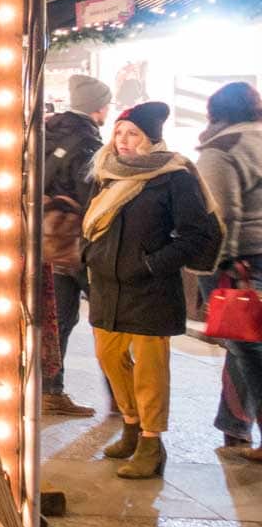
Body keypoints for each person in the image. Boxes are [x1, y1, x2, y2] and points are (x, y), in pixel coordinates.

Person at [84, 101, 223, 479]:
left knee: (150, 367)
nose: (123, 141)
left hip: (150, 287)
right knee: (109, 357)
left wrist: (151, 264)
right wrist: (88, 254)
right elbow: (93, 220)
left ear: (151, 138)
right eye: (119, 132)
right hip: (108, 285)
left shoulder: (173, 176)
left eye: (133, 134)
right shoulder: (106, 172)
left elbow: (199, 234)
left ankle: (150, 440)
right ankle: (130, 423)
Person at [195, 82, 262, 461]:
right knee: (243, 342)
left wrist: (224, 261)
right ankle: (234, 426)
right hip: (255, 255)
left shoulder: (222, 150)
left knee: (247, 346)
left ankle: (241, 427)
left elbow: (220, 215)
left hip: (238, 260)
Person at [42, 74, 112, 417]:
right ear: (99, 108)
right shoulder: (87, 142)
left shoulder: (47, 132)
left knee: (59, 321)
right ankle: (123, 402)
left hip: (50, 241)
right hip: (82, 244)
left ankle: (51, 391)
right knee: (110, 321)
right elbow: (92, 199)